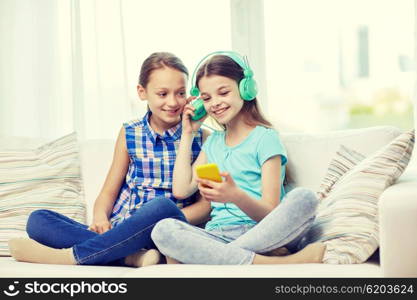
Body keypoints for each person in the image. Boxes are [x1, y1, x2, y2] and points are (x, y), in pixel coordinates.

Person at [8, 52, 211, 267]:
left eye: (180, 93)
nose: (173, 102)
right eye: (162, 94)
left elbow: (205, 207)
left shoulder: (203, 138)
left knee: (160, 206)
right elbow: (108, 191)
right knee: (38, 220)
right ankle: (131, 256)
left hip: (167, 228)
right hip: (121, 229)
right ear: (142, 92)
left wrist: (157, 223)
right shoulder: (130, 133)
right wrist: (100, 217)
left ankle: (75, 256)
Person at [151, 51, 326, 265]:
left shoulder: (265, 138)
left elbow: (270, 213)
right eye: (206, 98)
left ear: (246, 89)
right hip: (218, 235)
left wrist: (235, 195)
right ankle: (269, 262)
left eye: (223, 92)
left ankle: (219, 258)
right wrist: (188, 133)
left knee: (304, 198)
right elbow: (181, 190)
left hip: (262, 231)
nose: (215, 103)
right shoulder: (213, 142)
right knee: (163, 230)